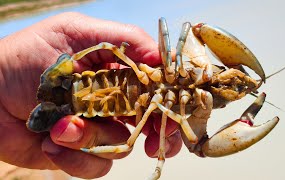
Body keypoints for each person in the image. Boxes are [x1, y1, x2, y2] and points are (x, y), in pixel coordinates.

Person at [0, 12, 182, 179]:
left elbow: (108, 47)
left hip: (84, 103)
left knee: (126, 144)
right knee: (126, 144)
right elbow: (108, 47)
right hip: (75, 90)